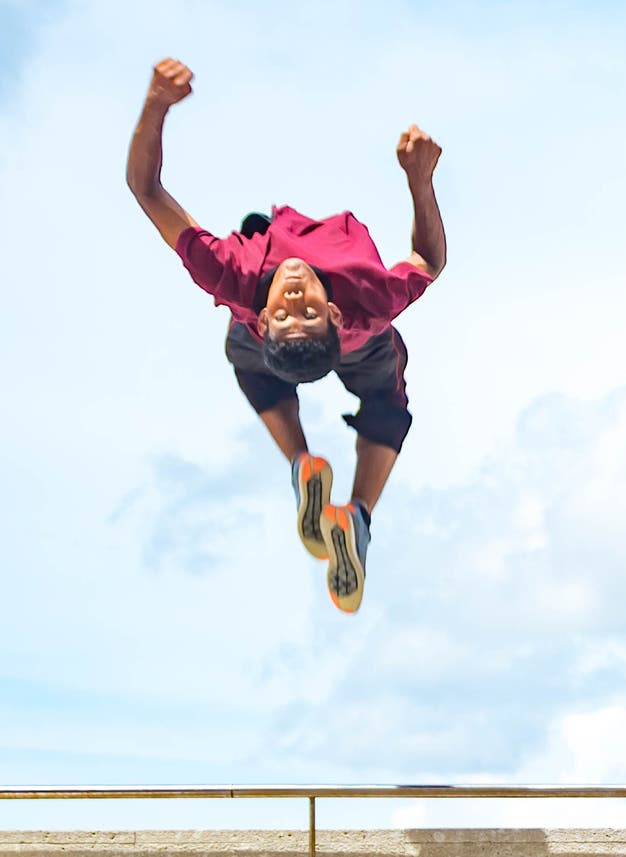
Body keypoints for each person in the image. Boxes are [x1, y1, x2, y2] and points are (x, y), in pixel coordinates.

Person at [125, 58, 447, 614]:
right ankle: (359, 517)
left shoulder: (237, 280)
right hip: (366, 344)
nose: (294, 299)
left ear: (262, 316)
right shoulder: (368, 300)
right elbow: (429, 261)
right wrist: (422, 183)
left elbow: (147, 191)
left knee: (246, 361)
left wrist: (154, 104)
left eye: (286, 313)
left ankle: (301, 464)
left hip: (272, 344)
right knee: (387, 406)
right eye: (304, 312)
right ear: (336, 316)